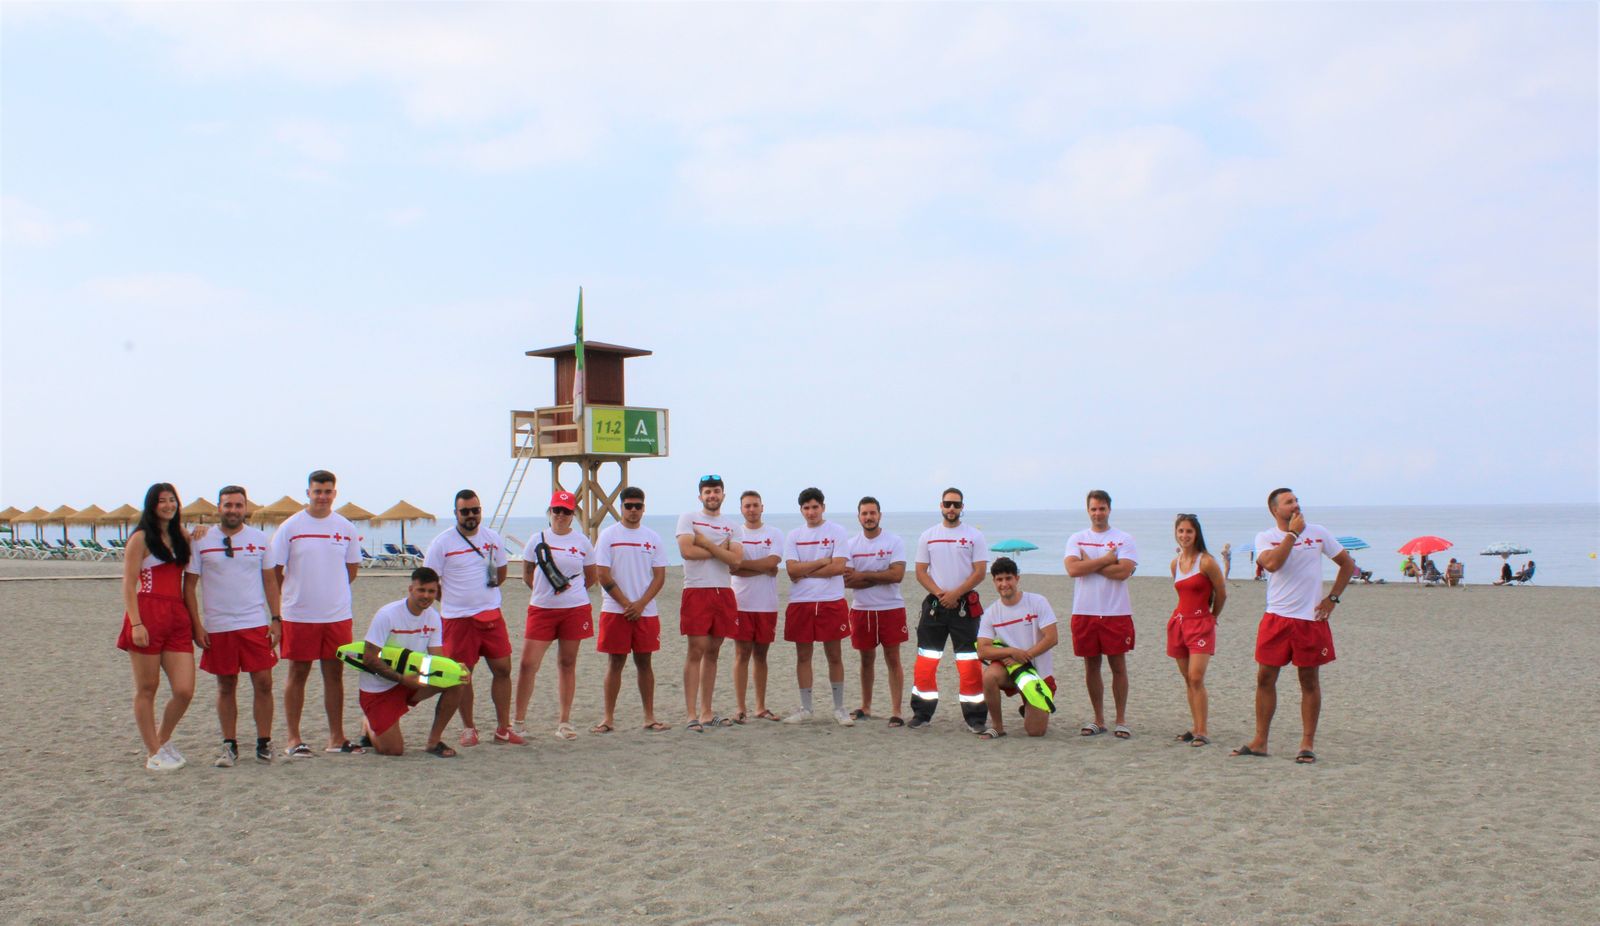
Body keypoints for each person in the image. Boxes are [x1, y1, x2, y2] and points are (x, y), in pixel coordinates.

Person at [1232, 488, 1354, 765]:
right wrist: (1292, 535)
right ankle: (1260, 740)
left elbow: (1347, 565)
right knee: (1265, 678)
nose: (1296, 505)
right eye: (1289, 502)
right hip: (1276, 617)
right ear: (1275, 510)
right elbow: (1272, 564)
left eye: (1297, 500)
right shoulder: (1266, 538)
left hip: (1309, 619)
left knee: (1309, 680)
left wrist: (1332, 598)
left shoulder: (1319, 532)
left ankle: (1307, 743)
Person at [268, 469, 364, 757]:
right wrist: (294, 598)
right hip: (299, 615)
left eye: (327, 491)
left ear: (335, 493)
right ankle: (293, 739)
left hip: (336, 615)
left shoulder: (345, 527)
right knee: (298, 673)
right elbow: (275, 572)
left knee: (334, 674)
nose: (322, 497)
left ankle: (336, 738)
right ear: (308, 493)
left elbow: (351, 570)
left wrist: (329, 591)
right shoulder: (291, 526)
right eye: (317, 491)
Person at [183, 485, 281, 767]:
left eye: (238, 505)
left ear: (246, 508)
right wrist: (197, 625)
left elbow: (270, 582)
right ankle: (230, 744)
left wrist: (277, 619)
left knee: (263, 683)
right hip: (219, 625)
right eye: (228, 505)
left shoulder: (260, 539)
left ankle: (264, 742)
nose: (233, 510)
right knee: (226, 685)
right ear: (219, 508)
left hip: (253, 623)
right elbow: (189, 587)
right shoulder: (201, 540)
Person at [423, 490, 521, 746]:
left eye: (475, 510)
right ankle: (469, 728)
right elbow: (429, 582)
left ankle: (503, 728)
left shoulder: (493, 538)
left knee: (503, 669)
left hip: (491, 615)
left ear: (480, 511)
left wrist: (483, 597)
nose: (471, 516)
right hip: (458, 619)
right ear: (455, 513)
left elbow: (501, 573)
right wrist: (453, 600)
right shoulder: (442, 543)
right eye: (465, 511)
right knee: (463, 675)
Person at [116, 483, 197, 771]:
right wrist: (136, 622)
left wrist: (203, 533)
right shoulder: (141, 538)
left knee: (185, 689)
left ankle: (162, 740)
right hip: (148, 611)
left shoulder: (181, 535)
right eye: (161, 501)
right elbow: (128, 582)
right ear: (152, 505)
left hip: (177, 614)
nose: (168, 505)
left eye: (172, 500)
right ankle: (153, 752)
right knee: (147, 687)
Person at [357, 567, 463, 757]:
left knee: (458, 681)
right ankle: (368, 724)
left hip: (410, 679)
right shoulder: (387, 614)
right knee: (393, 750)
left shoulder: (433, 617)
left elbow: (437, 659)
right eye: (421, 590)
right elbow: (369, 657)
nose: (426, 596)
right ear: (410, 589)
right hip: (378, 688)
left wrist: (454, 669)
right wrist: (402, 679)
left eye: (431, 591)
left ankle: (433, 742)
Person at [516, 490, 596, 741]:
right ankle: (518, 721)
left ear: (573, 515)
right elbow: (527, 572)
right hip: (542, 608)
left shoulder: (582, 541)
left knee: (567, 663)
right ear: (549, 512)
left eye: (566, 511)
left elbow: (590, 576)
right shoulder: (536, 539)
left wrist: (570, 594)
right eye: (556, 511)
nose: (561, 516)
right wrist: (544, 592)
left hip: (574, 608)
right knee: (528, 664)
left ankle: (564, 720)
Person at [910, 487, 990, 732]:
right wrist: (940, 594)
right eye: (947, 504)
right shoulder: (928, 535)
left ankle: (975, 717)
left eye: (956, 504)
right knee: (926, 660)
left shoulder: (974, 536)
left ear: (962, 507)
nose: (952, 509)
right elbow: (921, 571)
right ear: (940, 506)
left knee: (969, 663)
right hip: (935, 607)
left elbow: (979, 571)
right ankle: (922, 714)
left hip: (964, 607)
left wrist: (957, 593)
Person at [593, 486, 670, 732]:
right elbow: (602, 575)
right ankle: (608, 718)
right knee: (615, 663)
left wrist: (640, 604)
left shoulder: (653, 537)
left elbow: (659, 577)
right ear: (621, 507)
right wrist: (627, 604)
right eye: (629, 506)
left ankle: (649, 716)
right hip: (616, 610)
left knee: (645, 663)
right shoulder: (608, 535)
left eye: (638, 506)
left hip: (645, 611)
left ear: (644, 508)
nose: (633, 510)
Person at [1064, 490, 1139, 739]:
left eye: (1102, 508)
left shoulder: (1123, 538)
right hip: (1084, 611)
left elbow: (1124, 572)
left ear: (1109, 509)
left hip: (1116, 612)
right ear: (1088, 510)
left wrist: (1092, 563)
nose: (1098, 513)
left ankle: (1121, 719)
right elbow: (1073, 569)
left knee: (1118, 665)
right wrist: (1107, 560)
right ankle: (1098, 718)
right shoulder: (1077, 538)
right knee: (1091, 666)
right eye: (1094, 509)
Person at [675, 475, 744, 731]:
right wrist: (719, 551)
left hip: (723, 592)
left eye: (716, 491)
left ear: (723, 495)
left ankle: (707, 711)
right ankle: (691, 714)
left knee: (713, 652)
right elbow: (686, 551)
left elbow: (736, 561)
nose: (712, 495)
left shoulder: (732, 526)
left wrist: (704, 543)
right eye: (707, 492)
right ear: (700, 496)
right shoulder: (689, 518)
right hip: (696, 590)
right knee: (696, 650)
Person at [781, 487, 854, 726]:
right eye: (806, 508)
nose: (811, 512)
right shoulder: (794, 535)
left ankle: (839, 708)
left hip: (830, 601)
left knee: (834, 654)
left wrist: (808, 568)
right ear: (801, 510)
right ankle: (806, 708)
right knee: (803, 656)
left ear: (823, 507)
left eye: (815, 507)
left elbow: (838, 567)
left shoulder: (837, 531)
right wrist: (823, 561)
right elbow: (792, 570)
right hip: (801, 602)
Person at [975, 557, 1059, 739]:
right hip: (1012, 671)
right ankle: (998, 727)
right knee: (989, 675)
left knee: (1035, 732)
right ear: (994, 582)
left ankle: (1028, 707)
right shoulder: (991, 612)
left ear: (1017, 579)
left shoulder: (1037, 602)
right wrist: (1011, 652)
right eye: (999, 579)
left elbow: (1052, 638)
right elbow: (982, 650)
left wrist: (1025, 656)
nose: (1004, 584)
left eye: (1008, 578)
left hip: (1038, 674)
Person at [844, 496, 907, 726]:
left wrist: (864, 575)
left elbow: (897, 575)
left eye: (872, 513)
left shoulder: (894, 541)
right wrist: (880, 575)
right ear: (858, 516)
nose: (869, 517)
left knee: (893, 658)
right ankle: (866, 706)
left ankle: (897, 711)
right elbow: (848, 581)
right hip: (862, 609)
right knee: (866, 659)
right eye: (864, 513)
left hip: (891, 608)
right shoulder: (851, 545)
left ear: (880, 515)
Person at [1167, 514, 1226, 748]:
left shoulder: (1207, 562)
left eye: (1189, 531)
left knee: (1196, 677)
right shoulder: (1175, 563)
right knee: (1187, 679)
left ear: (1197, 534)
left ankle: (1203, 730)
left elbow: (1221, 593)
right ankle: (1195, 727)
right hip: (1179, 623)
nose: (1184, 536)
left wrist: (1213, 616)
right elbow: (1181, 593)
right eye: (1180, 531)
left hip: (1201, 624)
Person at [729, 490, 784, 722]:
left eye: (755, 505)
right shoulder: (734, 534)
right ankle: (741, 707)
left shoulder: (774, 533)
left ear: (762, 507)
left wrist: (746, 566)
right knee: (742, 654)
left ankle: (760, 706)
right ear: (741, 509)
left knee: (761, 655)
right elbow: (733, 567)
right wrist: (761, 568)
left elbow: (774, 562)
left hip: (766, 604)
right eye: (747, 506)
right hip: (741, 603)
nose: (751, 510)